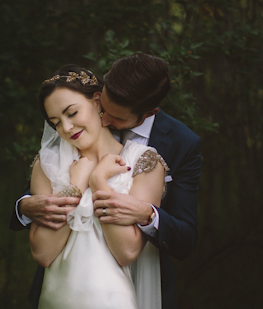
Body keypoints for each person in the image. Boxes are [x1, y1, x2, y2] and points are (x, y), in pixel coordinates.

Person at [10, 54, 201, 309]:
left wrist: (103, 183)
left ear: (147, 114)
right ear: (100, 97)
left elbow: (178, 237)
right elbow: (42, 246)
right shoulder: (50, 161)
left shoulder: (166, 151)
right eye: (55, 123)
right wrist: (28, 204)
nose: (106, 120)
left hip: (126, 289)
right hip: (59, 292)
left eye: (72, 113)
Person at [28, 64, 168, 308]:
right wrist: (76, 184)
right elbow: (43, 253)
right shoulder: (46, 164)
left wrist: (98, 181)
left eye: (71, 113)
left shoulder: (143, 163)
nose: (66, 128)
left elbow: (126, 252)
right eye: (56, 122)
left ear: (96, 101)